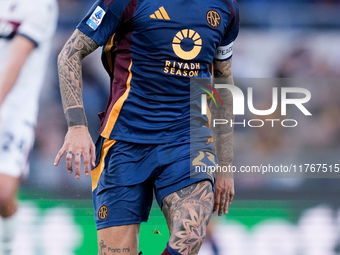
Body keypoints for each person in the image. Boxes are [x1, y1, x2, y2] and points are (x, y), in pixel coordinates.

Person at [54, 0, 239, 254]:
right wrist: (76, 126)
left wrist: (226, 166)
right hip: (124, 142)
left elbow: (223, 81)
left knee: (191, 235)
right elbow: (70, 54)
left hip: (187, 140)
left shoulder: (226, 8)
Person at [0, 0, 58, 254]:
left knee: (2, 193)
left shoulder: (41, 5)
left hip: (14, 111)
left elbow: (17, 59)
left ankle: (8, 245)